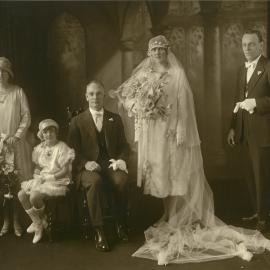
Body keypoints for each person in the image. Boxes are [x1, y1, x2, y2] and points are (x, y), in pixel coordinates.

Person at [111, 35, 270, 265]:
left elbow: (184, 104)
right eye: (154, 51)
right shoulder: (144, 75)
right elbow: (126, 97)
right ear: (149, 53)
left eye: (161, 50)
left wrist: (181, 130)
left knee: (174, 174)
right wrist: (137, 107)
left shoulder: (177, 74)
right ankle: (166, 214)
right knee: (159, 175)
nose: (158, 54)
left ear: (167, 52)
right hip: (154, 133)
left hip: (172, 132)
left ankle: (176, 217)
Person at [67, 80, 130, 252]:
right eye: (92, 94)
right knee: (95, 183)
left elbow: (124, 146)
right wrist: (85, 163)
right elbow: (71, 151)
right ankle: (99, 230)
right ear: (86, 96)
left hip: (109, 163)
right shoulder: (77, 121)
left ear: (103, 96)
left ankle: (120, 223)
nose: (95, 97)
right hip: (86, 167)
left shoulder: (114, 119)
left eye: (99, 93)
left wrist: (121, 161)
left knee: (121, 180)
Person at [228, 29, 270, 232]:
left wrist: (256, 103)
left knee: (262, 176)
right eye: (244, 45)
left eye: (251, 44)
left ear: (261, 45)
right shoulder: (240, 70)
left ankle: (264, 218)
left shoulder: (268, 65)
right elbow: (237, 100)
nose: (247, 48)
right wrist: (232, 128)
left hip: (262, 133)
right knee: (249, 175)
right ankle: (257, 210)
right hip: (243, 131)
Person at [18, 119, 75, 244]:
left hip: (58, 180)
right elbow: (38, 166)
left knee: (34, 197)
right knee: (21, 195)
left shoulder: (62, 147)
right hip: (43, 179)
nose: (48, 134)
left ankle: (38, 224)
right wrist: (37, 176)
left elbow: (65, 171)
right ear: (42, 134)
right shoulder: (40, 148)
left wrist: (49, 178)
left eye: (51, 131)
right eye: (45, 132)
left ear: (56, 133)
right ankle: (39, 222)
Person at [0, 57, 32, 237]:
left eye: (4, 71)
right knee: (3, 184)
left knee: (16, 183)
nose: (0, 75)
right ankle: (5, 220)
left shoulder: (18, 92)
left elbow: (26, 116)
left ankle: (17, 219)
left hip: (15, 144)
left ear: (9, 74)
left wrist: (17, 136)